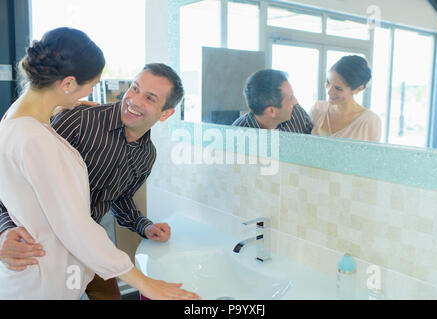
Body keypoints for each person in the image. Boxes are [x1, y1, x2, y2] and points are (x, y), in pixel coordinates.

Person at [0, 27, 200, 300]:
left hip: (87, 255)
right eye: (135, 88)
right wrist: (4, 232)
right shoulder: (70, 123)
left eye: (150, 98)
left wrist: (144, 225)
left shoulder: (145, 154)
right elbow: (16, 184)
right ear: (68, 83)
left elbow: (120, 198)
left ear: (166, 113)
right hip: (46, 258)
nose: (133, 100)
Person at [310, 55, 381, 142]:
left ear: (359, 89)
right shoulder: (318, 109)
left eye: (338, 88)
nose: (329, 92)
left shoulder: (370, 122)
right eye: (328, 83)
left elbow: (372, 154)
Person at [232, 69, 313, 133]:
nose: (295, 101)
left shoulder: (298, 114)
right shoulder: (238, 133)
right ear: (271, 111)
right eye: (290, 98)